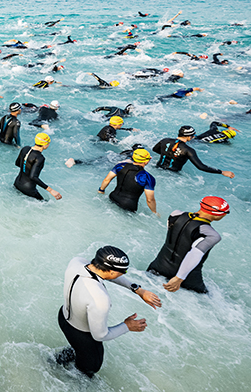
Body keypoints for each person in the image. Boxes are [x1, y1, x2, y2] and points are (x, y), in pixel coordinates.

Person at [55, 246, 161, 378]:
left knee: (75, 349)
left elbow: (104, 273)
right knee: (86, 370)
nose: (124, 274)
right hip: (82, 335)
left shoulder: (77, 262)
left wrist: (137, 289)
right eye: (124, 271)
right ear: (111, 272)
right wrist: (127, 326)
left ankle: (52, 364)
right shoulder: (100, 299)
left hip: (63, 318)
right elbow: (100, 336)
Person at [147, 196, 229, 293]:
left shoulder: (175, 214)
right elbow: (194, 254)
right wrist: (179, 278)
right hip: (187, 279)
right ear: (218, 214)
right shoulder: (212, 235)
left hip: (158, 266)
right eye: (226, 213)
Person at [152, 125, 235, 178]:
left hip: (157, 169)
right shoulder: (188, 150)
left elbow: (155, 149)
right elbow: (201, 167)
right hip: (172, 176)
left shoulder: (165, 140)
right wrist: (221, 172)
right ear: (189, 136)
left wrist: (168, 155)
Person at [97, 148, 157, 215]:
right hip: (128, 206)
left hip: (113, 197)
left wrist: (101, 190)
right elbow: (150, 200)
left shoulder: (120, 166)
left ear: (133, 157)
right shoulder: (147, 177)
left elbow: (107, 180)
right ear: (146, 161)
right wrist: (154, 212)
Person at [13, 133, 61, 200]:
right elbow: (33, 177)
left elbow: (17, 163)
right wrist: (51, 190)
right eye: (48, 143)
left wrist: (26, 167)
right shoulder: (39, 158)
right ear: (44, 144)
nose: (49, 144)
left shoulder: (25, 149)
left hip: (17, 183)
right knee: (46, 206)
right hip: (28, 189)